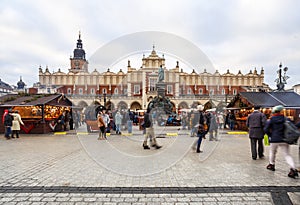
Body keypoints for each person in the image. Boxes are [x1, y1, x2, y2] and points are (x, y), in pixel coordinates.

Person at [264, 105, 298, 178]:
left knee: (272, 152)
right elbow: (293, 127)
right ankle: (293, 168)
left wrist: (270, 135)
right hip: (284, 139)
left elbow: (266, 129)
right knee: (287, 154)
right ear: (281, 111)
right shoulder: (286, 119)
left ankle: (271, 164)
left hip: (274, 139)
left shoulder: (271, 120)